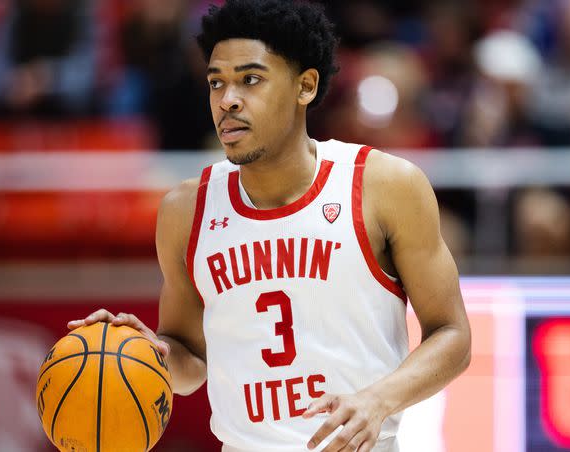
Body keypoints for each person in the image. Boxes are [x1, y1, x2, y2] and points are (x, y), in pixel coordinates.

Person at [68, 1, 471, 451]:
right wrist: (153, 356)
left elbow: (452, 336)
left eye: (250, 79)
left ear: (305, 86)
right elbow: (191, 361)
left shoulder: (383, 185)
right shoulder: (186, 209)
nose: (227, 99)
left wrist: (378, 399)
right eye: (216, 82)